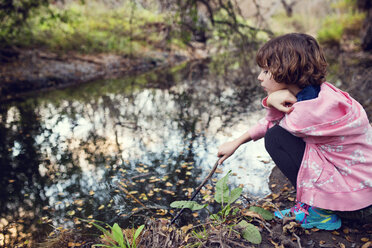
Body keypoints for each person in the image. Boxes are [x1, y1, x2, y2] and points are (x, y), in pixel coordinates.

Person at [217, 33, 372, 230]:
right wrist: (236, 142)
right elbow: (272, 120)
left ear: (286, 70)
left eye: (266, 71)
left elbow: (275, 125)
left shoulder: (307, 113)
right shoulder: (321, 94)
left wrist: (271, 101)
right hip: (364, 188)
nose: (260, 77)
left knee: (275, 139)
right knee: (278, 134)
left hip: (357, 202)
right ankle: (318, 204)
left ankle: (319, 213)